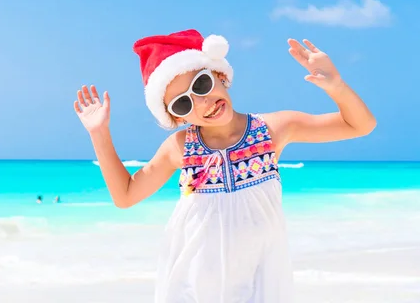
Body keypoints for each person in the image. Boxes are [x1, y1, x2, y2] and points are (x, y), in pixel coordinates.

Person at [73, 29, 376, 303]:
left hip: (261, 279)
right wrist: (99, 134)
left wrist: (336, 86)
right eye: (183, 104)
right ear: (178, 119)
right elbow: (125, 196)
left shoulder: (272, 130)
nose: (202, 103)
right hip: (192, 285)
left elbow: (360, 125)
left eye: (201, 84)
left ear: (219, 74)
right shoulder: (180, 148)